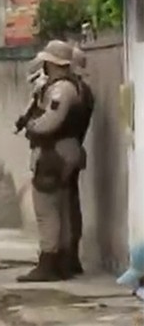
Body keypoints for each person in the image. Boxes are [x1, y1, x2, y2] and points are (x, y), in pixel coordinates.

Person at [17, 40, 88, 282]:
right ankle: (64, 260)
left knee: (47, 209)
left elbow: (50, 122)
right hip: (65, 150)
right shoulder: (72, 86)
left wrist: (31, 125)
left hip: (53, 152)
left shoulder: (61, 89)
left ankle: (49, 261)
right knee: (63, 207)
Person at [67, 46, 94, 276]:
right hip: (74, 149)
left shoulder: (72, 91)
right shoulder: (82, 90)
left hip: (63, 151)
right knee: (70, 204)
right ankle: (71, 255)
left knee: (62, 207)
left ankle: (66, 256)